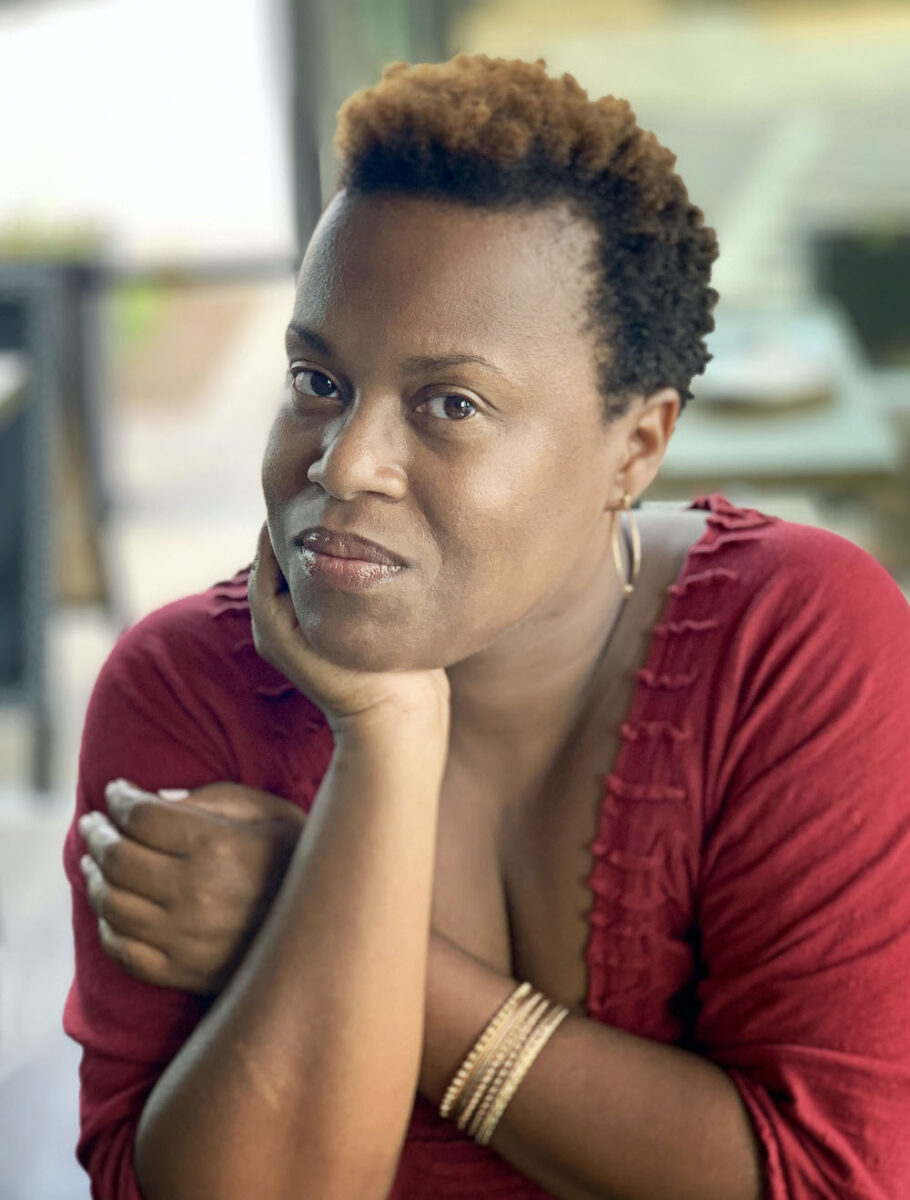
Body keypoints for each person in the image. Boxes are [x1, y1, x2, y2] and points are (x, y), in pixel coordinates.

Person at [63, 54, 910, 1200]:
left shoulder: (793, 639)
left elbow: (833, 1178)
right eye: (317, 379)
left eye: (449, 404)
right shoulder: (184, 688)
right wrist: (387, 733)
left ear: (636, 447)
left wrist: (292, 912)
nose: (343, 460)